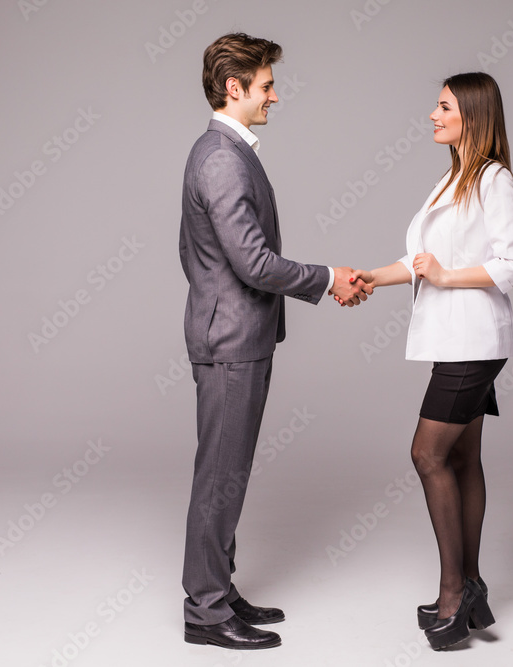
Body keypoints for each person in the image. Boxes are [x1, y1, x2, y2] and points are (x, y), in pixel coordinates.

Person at [178, 32, 372, 651]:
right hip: (231, 343)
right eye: (266, 86)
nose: (275, 96)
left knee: (228, 474)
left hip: (238, 336)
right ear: (233, 87)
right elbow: (254, 263)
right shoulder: (221, 158)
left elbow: (206, 256)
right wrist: (329, 279)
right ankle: (206, 611)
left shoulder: (225, 151)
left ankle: (218, 588)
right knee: (220, 475)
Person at [346, 72, 513, 650]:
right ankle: (471, 586)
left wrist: (447, 277)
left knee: (427, 454)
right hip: (455, 341)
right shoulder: (453, 177)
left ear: (472, 115)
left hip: (473, 342)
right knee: (463, 458)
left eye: (444, 106)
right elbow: (420, 259)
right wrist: (370, 277)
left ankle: (453, 595)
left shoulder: (494, 180)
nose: (433, 114)